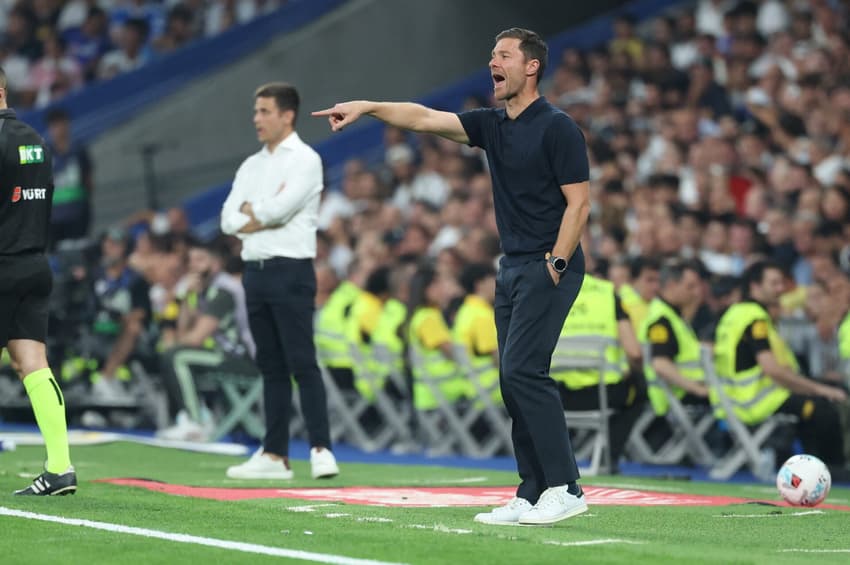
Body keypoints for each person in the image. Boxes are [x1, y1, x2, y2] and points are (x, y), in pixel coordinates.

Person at [314, 27, 592, 525]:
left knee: (524, 372)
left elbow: (579, 204)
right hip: (512, 265)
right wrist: (369, 107)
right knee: (512, 380)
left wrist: (556, 263)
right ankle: (530, 491)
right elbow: (423, 117)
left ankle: (566, 487)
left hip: (549, 264)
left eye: (504, 55)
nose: (493, 62)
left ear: (532, 66)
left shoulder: (558, 127)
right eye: (492, 55)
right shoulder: (492, 124)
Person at [221, 82, 338, 480]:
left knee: (302, 361)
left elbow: (280, 210)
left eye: (265, 111)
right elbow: (227, 219)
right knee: (270, 365)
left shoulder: (306, 159)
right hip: (254, 272)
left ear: (287, 115)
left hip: (291, 270)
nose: (256, 118)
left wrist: (253, 212)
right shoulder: (250, 165)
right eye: (256, 111)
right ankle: (274, 455)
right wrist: (258, 214)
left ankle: (321, 449)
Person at [0, 67, 75, 495]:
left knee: (31, 363)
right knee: (32, 363)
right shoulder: (36, 141)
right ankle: (60, 468)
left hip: (2, 264)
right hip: (34, 264)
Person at [713, 261, 847, 469]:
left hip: (735, 398)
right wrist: (819, 389)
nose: (780, 289)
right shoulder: (755, 318)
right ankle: (833, 470)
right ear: (755, 286)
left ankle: (811, 466)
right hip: (757, 401)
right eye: (774, 283)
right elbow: (771, 369)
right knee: (824, 408)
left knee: (827, 392)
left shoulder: (735, 313)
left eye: (781, 283)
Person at [157, 242, 257, 441]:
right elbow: (184, 332)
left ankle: (197, 422)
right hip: (225, 355)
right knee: (174, 354)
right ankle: (195, 416)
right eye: (190, 260)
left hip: (244, 359)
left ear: (216, 263)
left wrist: (175, 344)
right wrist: (187, 296)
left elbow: (195, 338)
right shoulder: (204, 291)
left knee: (176, 357)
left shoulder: (224, 291)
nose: (193, 265)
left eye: (200, 259)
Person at [552, 273, 645, 472]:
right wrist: (632, 371)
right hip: (602, 395)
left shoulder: (547, 291)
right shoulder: (607, 294)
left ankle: (554, 455)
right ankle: (607, 458)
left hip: (555, 396)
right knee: (639, 389)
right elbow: (634, 353)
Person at [45, 108, 93, 246]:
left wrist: (85, 200)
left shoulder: (79, 150)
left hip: (78, 211)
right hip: (53, 215)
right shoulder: (44, 152)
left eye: (62, 124)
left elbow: (88, 179)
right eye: (55, 126)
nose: (59, 130)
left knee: (78, 249)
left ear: (68, 125)